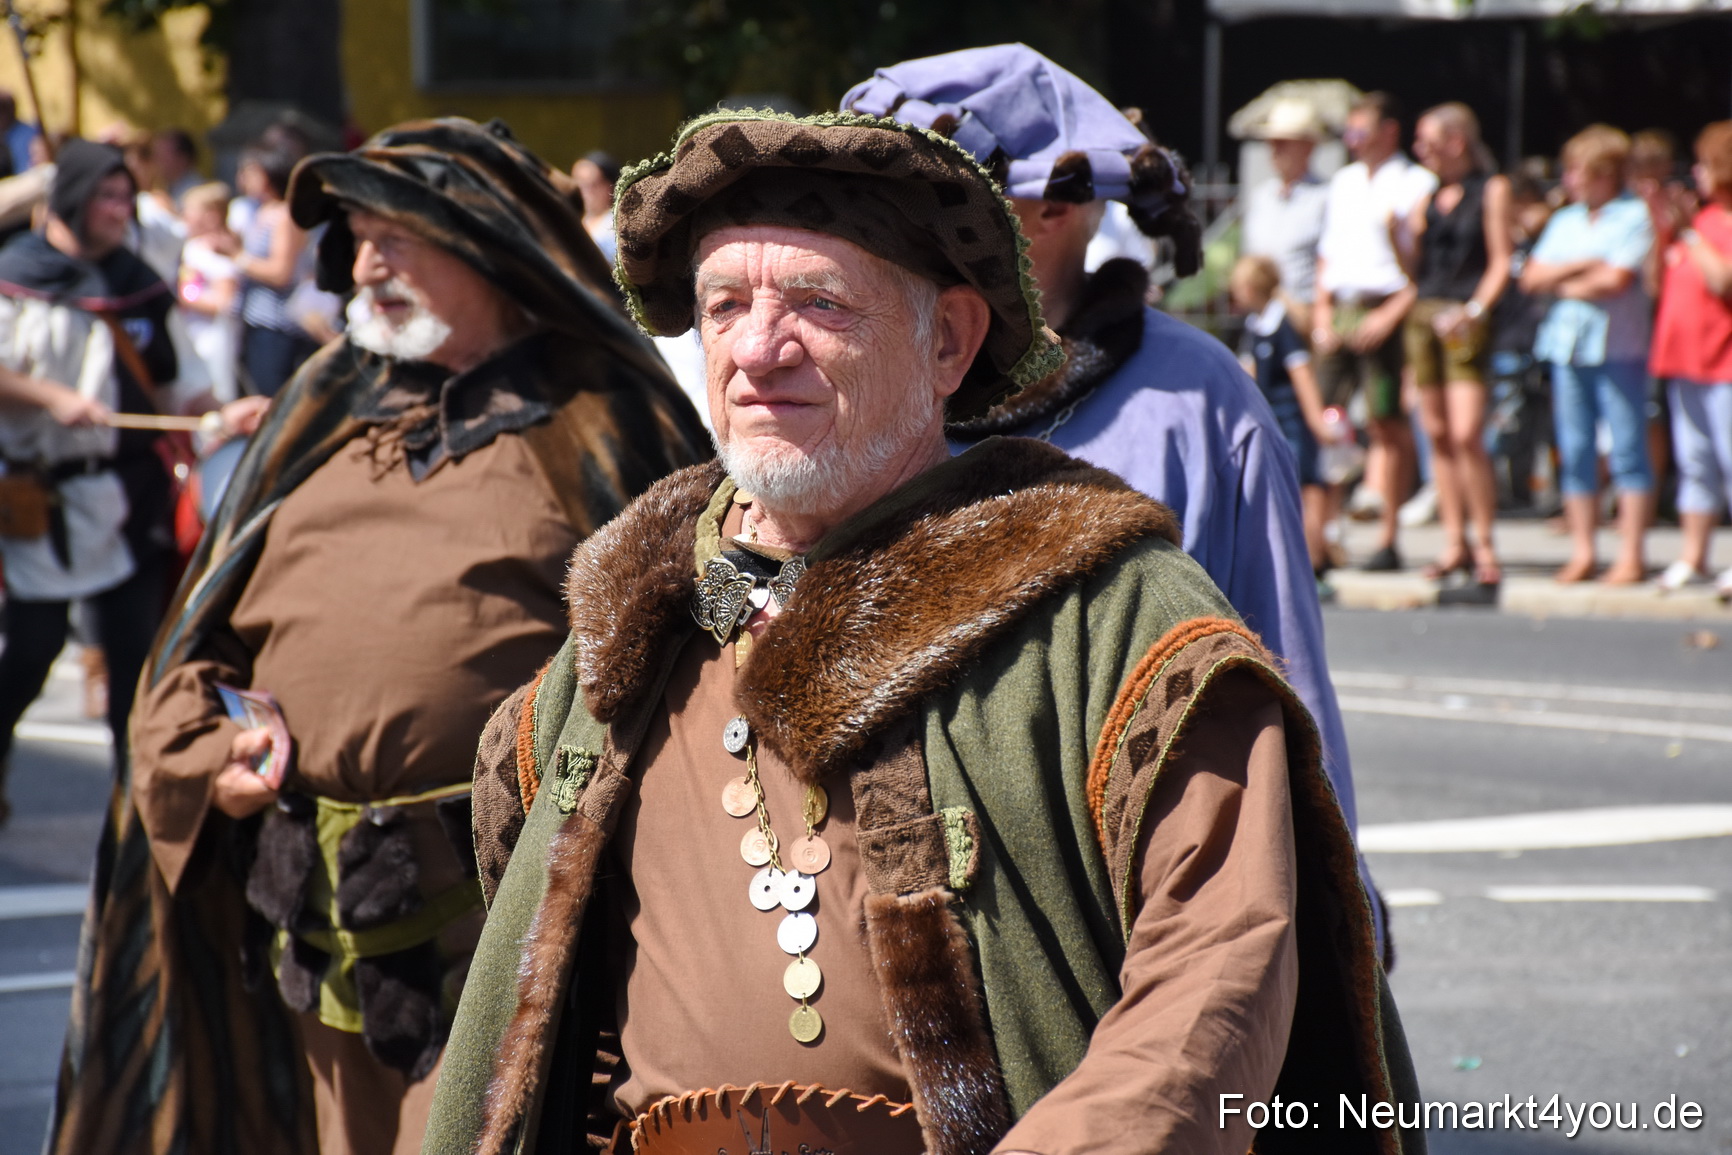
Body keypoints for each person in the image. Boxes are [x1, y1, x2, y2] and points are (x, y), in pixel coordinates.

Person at [422, 107, 1419, 1155]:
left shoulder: (1110, 617)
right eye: (724, 307)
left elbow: (1222, 969)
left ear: (946, 342)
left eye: (818, 302)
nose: (760, 349)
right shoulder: (634, 620)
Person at [48, 118, 711, 1155]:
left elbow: (695, 669)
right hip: (304, 930)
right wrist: (206, 750)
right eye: (358, 236)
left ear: (494, 246)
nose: (367, 263)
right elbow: (196, 640)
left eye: (400, 234)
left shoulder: (606, 423)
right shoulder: (321, 405)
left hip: (504, 937)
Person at [843, 44, 1387, 959]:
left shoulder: (1200, 403)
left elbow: (1283, 676)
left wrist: (1334, 923)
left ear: (1051, 208)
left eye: (922, 199)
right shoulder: (847, 385)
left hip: (1125, 915)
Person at [0, 141, 253, 824]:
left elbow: (185, 384)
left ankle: (134, 806)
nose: (119, 212)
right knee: (30, 653)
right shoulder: (14, 277)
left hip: (129, 495)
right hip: (42, 496)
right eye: (106, 198)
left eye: (125, 199)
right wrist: (49, 398)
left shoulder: (138, 283)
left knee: (132, 661)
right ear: (73, 201)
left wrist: (223, 414)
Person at [1520, 125, 1655, 584]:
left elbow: (1616, 280)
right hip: (1567, 348)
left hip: (1618, 346)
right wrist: (1583, 267)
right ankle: (1583, 550)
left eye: (1578, 169)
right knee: (1574, 448)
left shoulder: (1634, 216)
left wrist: (1562, 280)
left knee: (1626, 447)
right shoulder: (1566, 220)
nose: (1570, 178)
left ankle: (1631, 553)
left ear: (1603, 172)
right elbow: (1531, 277)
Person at [1314, 92, 1437, 572]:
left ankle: (1387, 535)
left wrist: (1388, 317)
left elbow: (1422, 266)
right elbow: (1328, 254)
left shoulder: (1414, 182)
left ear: (1389, 131)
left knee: (1387, 421)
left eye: (1361, 130)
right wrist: (1323, 313)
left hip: (1387, 304)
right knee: (1327, 421)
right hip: (1343, 306)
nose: (1352, 140)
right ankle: (1323, 535)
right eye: (1350, 131)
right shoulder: (1344, 181)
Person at [1404, 103, 1512, 591]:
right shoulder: (1427, 196)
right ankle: (1454, 542)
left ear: (1457, 141)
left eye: (1427, 139)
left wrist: (1475, 311)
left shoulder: (1491, 188)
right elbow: (1415, 270)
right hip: (1425, 312)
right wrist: (1397, 237)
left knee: (1468, 433)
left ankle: (1484, 541)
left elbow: (1500, 261)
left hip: (1465, 314)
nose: (1419, 149)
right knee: (1438, 433)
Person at [1649, 120, 1732, 596]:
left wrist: (1689, 236)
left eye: (1704, 164)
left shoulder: (1714, 227)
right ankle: (1693, 555)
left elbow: (1722, 280)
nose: (1696, 173)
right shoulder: (1698, 223)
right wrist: (1664, 232)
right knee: (1694, 461)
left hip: (1723, 362)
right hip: (1685, 361)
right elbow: (1657, 285)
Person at [1231, 254, 1333, 575]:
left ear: (1250, 288)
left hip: (1292, 419)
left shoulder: (1282, 325)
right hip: (1271, 420)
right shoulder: (1257, 324)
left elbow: (1301, 375)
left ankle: (1316, 559)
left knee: (1305, 485)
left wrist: (1316, 420)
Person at [227, 145, 316, 396]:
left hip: (277, 325)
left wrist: (238, 258)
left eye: (252, 172)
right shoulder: (259, 211)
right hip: (255, 319)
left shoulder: (285, 215)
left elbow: (281, 272)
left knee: (270, 398)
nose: (244, 179)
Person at [1240, 96, 1331, 333]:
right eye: (1271, 142)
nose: (1274, 149)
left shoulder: (1325, 197)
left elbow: (1331, 263)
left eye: (1283, 141)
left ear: (1308, 145)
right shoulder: (1262, 197)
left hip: (1302, 316)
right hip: (1260, 314)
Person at [176, 181, 242, 400]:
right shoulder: (191, 247)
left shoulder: (218, 253)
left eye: (190, 211)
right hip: (190, 334)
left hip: (211, 338)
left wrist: (184, 297)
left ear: (211, 215)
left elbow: (224, 302)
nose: (184, 216)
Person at [572, 148, 620, 261]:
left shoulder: (615, 225)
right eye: (578, 184)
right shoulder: (576, 218)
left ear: (610, 187)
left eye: (591, 185)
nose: (583, 192)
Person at [150, 127, 202, 209]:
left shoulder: (197, 192)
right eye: (156, 155)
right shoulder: (167, 186)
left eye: (163, 156)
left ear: (182, 159)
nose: (156, 161)